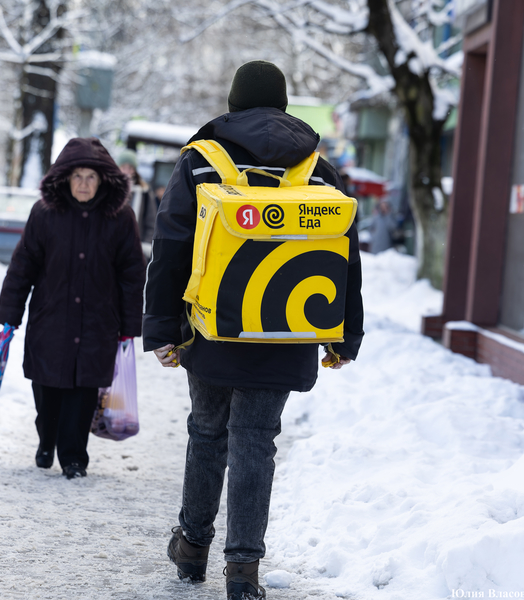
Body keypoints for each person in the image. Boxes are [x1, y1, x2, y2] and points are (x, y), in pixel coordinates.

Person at [142, 60, 364, 600]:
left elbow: (170, 244)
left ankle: (192, 546)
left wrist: (161, 326)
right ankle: (243, 570)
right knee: (256, 444)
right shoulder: (317, 168)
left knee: (207, 432)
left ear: (233, 103)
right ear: (284, 105)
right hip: (288, 328)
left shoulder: (202, 161)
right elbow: (345, 256)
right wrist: (343, 334)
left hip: (211, 326)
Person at [0, 137, 146, 480]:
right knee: (46, 388)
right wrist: (9, 317)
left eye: (90, 177)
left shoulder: (120, 217)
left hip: (98, 322)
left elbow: (132, 274)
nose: (83, 184)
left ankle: (75, 457)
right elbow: (22, 267)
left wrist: (129, 326)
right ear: (64, 178)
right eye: (77, 176)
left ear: (103, 180)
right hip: (50, 319)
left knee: (83, 392)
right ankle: (46, 439)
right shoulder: (44, 213)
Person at [117, 149, 157, 258]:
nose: (127, 171)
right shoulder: (110, 189)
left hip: (136, 245)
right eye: (124, 167)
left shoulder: (144, 191)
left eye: (130, 168)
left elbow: (151, 221)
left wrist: (145, 244)